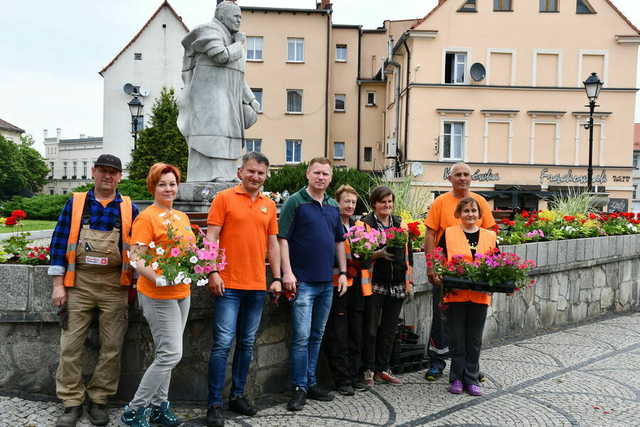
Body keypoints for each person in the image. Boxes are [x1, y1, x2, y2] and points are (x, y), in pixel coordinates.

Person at [49, 154, 138, 427]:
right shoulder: (76, 203)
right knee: (70, 345)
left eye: (113, 172)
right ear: (94, 172)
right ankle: (71, 402)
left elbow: (140, 249)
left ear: (120, 176)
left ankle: (99, 399)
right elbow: (59, 242)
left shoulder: (129, 208)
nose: (108, 176)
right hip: (79, 285)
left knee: (112, 346)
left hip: (115, 286)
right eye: (103, 171)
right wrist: (57, 285)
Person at [205, 152, 282, 427]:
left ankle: (237, 395)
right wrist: (212, 270)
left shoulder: (269, 205)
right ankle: (214, 403)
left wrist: (277, 277)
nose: (255, 177)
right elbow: (211, 237)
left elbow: (273, 244)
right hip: (228, 284)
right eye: (251, 171)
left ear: (265, 176)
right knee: (223, 345)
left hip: (256, 285)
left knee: (247, 344)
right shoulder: (223, 199)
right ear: (240, 172)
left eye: (261, 173)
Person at [121, 163, 195, 427]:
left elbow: (189, 252)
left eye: (172, 183)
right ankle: (134, 409)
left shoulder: (182, 218)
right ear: (153, 187)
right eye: (162, 184)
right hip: (157, 293)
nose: (168, 188)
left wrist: (200, 264)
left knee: (167, 353)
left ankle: (159, 407)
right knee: (170, 355)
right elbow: (136, 259)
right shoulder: (147, 218)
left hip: (182, 292)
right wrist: (159, 277)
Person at [279, 158, 348, 411]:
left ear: (330, 178)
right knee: (301, 338)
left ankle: (310, 381)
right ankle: (298, 387)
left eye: (325, 174)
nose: (321, 177)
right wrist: (287, 273)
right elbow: (282, 239)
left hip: (326, 283)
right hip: (303, 282)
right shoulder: (295, 202)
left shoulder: (332, 205)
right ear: (308, 174)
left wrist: (342, 272)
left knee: (316, 336)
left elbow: (339, 241)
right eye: (317, 172)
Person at [423, 162, 495, 382]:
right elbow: (430, 235)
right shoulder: (440, 203)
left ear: (471, 178)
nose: (462, 178)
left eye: (466, 175)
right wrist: (431, 265)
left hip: (475, 278)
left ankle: (468, 369)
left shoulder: (480, 202)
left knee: (471, 326)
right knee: (442, 318)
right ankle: (437, 362)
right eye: (458, 175)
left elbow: (490, 235)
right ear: (450, 178)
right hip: (446, 274)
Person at [178, 0, 260, 182]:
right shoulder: (208, 30)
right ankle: (210, 175)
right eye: (236, 17)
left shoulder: (232, 38)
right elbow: (221, 56)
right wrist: (240, 44)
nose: (239, 21)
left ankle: (228, 174)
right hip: (210, 96)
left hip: (230, 95)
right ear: (222, 16)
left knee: (229, 134)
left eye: (241, 17)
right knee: (214, 132)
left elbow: (238, 76)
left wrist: (251, 99)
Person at [431, 197, 497, 396]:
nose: (470, 214)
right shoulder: (449, 233)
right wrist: (438, 273)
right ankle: (457, 379)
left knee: (474, 339)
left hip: (479, 296)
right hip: (456, 295)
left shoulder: (489, 236)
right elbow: (439, 257)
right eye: (466, 210)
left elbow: (497, 262)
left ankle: (472, 378)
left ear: (480, 214)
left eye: (474, 211)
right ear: (459, 214)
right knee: (457, 338)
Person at [360, 186, 413, 387]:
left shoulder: (400, 223)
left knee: (390, 330)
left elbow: (408, 256)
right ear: (374, 203)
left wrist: (409, 282)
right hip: (375, 283)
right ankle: (368, 369)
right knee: (371, 329)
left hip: (397, 284)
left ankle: (384, 368)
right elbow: (361, 256)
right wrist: (377, 253)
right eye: (383, 202)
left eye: (390, 201)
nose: (387, 205)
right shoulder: (366, 224)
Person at [322, 185, 371, 396]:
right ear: (337, 203)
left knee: (355, 331)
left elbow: (367, 257)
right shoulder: (331, 224)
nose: (350, 205)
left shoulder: (358, 226)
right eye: (346, 201)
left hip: (358, 286)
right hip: (338, 284)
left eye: (353, 202)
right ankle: (342, 379)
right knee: (338, 332)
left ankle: (353, 374)